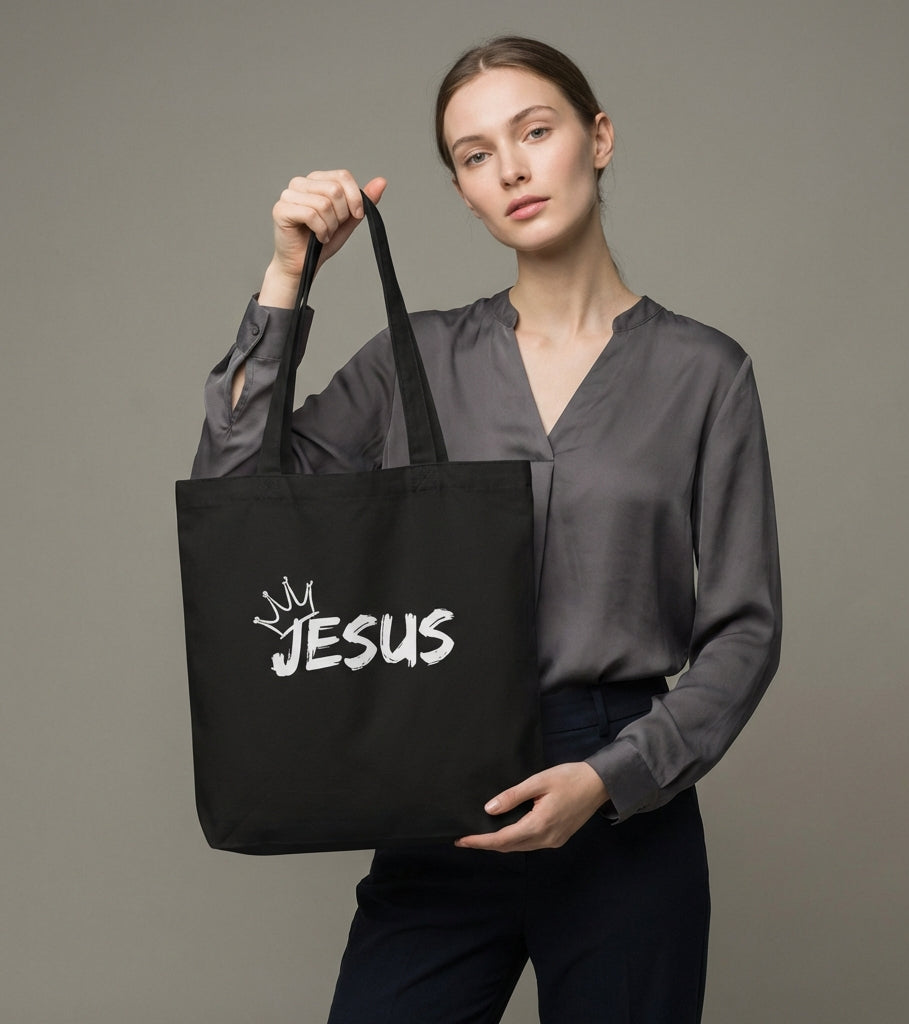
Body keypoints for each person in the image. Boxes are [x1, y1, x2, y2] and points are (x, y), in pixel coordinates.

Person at [192, 35, 781, 1024]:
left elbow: (745, 628)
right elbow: (236, 495)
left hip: (621, 793)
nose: (508, 167)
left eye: (533, 131)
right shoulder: (413, 359)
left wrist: (610, 778)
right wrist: (285, 277)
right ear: (462, 192)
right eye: (473, 155)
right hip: (439, 784)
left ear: (596, 138)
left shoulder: (704, 372)